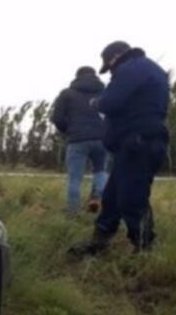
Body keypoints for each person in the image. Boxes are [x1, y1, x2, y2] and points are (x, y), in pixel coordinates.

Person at [70, 41, 170, 256]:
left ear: (116, 57)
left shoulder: (131, 68)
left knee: (132, 198)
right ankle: (99, 242)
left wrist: (97, 102)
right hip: (140, 143)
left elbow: (110, 102)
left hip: (138, 143)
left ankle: (145, 250)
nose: (111, 71)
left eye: (109, 66)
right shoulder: (150, 69)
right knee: (113, 197)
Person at [51, 66, 108, 215]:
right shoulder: (105, 92)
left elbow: (57, 118)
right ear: (95, 76)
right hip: (102, 139)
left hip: (77, 140)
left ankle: (73, 212)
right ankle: (96, 198)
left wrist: (68, 130)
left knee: (74, 178)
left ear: (77, 76)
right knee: (101, 171)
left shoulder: (67, 94)